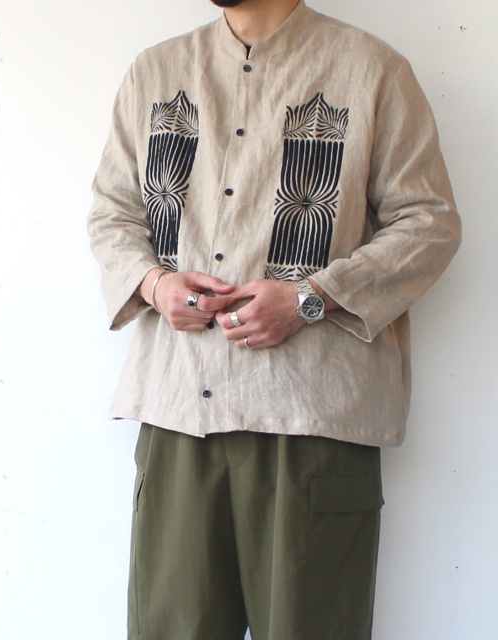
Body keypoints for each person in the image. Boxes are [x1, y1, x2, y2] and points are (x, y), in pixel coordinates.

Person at [88, 0, 461, 637]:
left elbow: (429, 223)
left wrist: (311, 298)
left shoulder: (371, 70)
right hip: (181, 410)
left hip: (313, 417)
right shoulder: (156, 72)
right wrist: (154, 284)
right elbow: (112, 214)